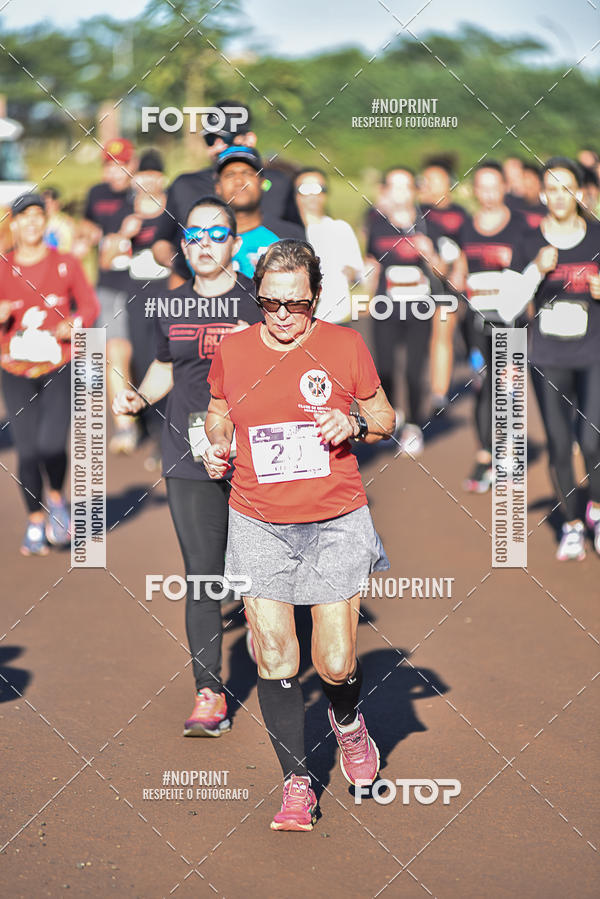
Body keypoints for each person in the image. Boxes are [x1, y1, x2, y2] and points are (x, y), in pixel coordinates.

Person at [203, 239, 395, 831]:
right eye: (270, 303)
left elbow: (387, 417)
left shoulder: (344, 345)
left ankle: (348, 722)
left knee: (335, 663)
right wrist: (217, 443)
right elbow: (217, 410)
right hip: (258, 517)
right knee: (277, 653)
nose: (283, 315)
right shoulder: (233, 351)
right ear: (257, 297)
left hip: (334, 518)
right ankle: (297, 783)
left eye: (297, 303)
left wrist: (355, 422)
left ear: (316, 296)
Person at [112, 196, 263, 734]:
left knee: (264, 573)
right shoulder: (171, 306)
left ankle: (281, 666)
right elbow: (163, 369)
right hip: (190, 454)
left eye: (216, 234)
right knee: (203, 574)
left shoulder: (258, 304)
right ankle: (209, 692)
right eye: (194, 234)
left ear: (235, 243)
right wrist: (137, 399)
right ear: (182, 245)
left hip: (258, 457)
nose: (204, 243)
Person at [0, 193, 99, 555]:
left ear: (46, 221)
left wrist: (74, 324)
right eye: (23, 216)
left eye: (37, 216)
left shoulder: (66, 263)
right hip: (14, 368)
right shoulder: (3, 265)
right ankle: (35, 522)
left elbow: (89, 305)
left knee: (51, 444)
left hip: (58, 364)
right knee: (26, 451)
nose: (31, 223)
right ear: (13, 223)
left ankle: (56, 499)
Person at [520, 157, 600, 560]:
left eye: (567, 188)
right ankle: (570, 523)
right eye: (552, 188)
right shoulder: (528, 239)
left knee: (591, 439)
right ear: (542, 195)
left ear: (580, 194)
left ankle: (597, 511)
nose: (560, 196)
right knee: (557, 441)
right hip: (548, 355)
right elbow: (506, 304)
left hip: (593, 354)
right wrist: (535, 269)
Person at [152, 102, 301, 286]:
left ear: (250, 139)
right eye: (210, 139)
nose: (217, 146)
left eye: (226, 138)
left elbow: (298, 237)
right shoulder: (184, 184)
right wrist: (192, 267)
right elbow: (161, 242)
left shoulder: (280, 183)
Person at [452, 161, 531, 493]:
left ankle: (510, 454)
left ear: (504, 188)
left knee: (509, 388)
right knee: (484, 388)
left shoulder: (522, 228)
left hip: (511, 321)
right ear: (474, 191)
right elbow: (458, 271)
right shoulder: (465, 228)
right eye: (480, 187)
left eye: (493, 186)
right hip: (476, 321)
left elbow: (532, 275)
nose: (487, 194)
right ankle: (486, 457)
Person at [365, 167, 447, 455]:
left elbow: (443, 270)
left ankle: (413, 425)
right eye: (394, 186)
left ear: (415, 190)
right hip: (385, 306)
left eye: (406, 186)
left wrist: (431, 255)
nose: (400, 193)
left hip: (419, 309)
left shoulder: (428, 225)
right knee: (384, 368)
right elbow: (371, 261)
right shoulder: (377, 225)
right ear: (386, 191)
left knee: (414, 371)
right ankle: (392, 414)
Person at [81, 138, 139, 454]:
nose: (116, 171)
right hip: (108, 286)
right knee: (114, 352)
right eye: (109, 164)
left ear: (133, 165)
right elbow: (88, 225)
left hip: (144, 287)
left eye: (122, 164)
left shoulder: (144, 194)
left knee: (142, 354)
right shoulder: (95, 194)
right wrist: (88, 233)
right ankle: (125, 426)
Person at [122, 148, 171, 470]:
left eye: (153, 175)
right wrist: (124, 234)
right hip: (136, 293)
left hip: (167, 291)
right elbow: (107, 252)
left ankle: (167, 438)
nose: (148, 181)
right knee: (142, 359)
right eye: (143, 175)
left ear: (162, 178)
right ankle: (152, 431)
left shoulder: (173, 210)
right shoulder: (128, 211)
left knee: (166, 357)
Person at [419, 157, 469, 412]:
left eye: (434, 179)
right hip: (417, 285)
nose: (426, 184)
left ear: (448, 184)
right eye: (424, 179)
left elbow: (466, 249)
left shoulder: (460, 214)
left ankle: (439, 392)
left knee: (442, 333)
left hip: (446, 287)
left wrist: (459, 270)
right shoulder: (417, 212)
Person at [214, 145, 305, 276]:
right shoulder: (202, 236)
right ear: (218, 187)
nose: (239, 181)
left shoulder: (290, 236)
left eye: (248, 173)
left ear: (262, 183)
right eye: (230, 175)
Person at [293, 168, 364, 324]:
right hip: (297, 321)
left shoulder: (340, 228)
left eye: (318, 188)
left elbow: (358, 273)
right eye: (304, 189)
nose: (312, 195)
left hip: (337, 318)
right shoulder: (287, 232)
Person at [42, 187, 76, 253]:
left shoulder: (67, 222)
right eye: (44, 203)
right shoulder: (39, 221)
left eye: (49, 203)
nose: (46, 206)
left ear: (57, 203)